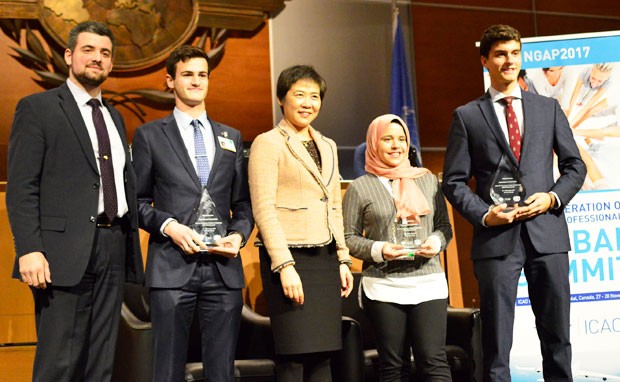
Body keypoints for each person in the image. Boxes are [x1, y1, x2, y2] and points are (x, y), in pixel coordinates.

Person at [442, 24, 586, 382]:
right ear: (485, 61)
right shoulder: (467, 116)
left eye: (515, 53)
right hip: (495, 240)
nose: (509, 60)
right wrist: (484, 216)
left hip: (547, 235)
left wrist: (552, 197)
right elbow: (454, 181)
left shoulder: (548, 108)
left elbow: (575, 165)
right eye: (500, 54)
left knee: (557, 337)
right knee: (495, 339)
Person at [6, 21, 144, 381]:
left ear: (111, 64)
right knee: (60, 363)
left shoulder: (114, 115)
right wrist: (29, 249)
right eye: (88, 50)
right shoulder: (38, 108)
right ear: (69, 55)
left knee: (101, 362)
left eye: (105, 53)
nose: (97, 59)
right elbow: (22, 188)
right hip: (61, 252)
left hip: (114, 245)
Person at [132, 45, 253, 382]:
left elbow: (243, 205)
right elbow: (137, 203)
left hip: (223, 269)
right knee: (167, 370)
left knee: (222, 372)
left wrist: (238, 235)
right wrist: (170, 226)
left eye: (202, 75)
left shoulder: (232, 136)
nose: (196, 81)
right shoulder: (149, 136)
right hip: (172, 268)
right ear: (170, 81)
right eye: (187, 74)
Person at [248, 65, 354, 382]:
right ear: (282, 99)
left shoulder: (328, 144)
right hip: (289, 259)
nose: (308, 102)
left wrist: (343, 258)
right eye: (299, 95)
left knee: (323, 355)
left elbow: (334, 205)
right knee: (293, 356)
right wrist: (284, 265)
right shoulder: (267, 143)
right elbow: (264, 208)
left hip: (324, 260)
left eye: (314, 96)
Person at [343, 114, 453, 381]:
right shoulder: (360, 187)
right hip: (383, 285)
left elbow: (444, 228)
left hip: (428, 281)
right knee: (393, 366)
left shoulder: (427, 179)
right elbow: (348, 238)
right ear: (373, 143)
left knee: (433, 360)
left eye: (402, 139)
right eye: (387, 139)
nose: (396, 145)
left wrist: (435, 242)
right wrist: (380, 249)